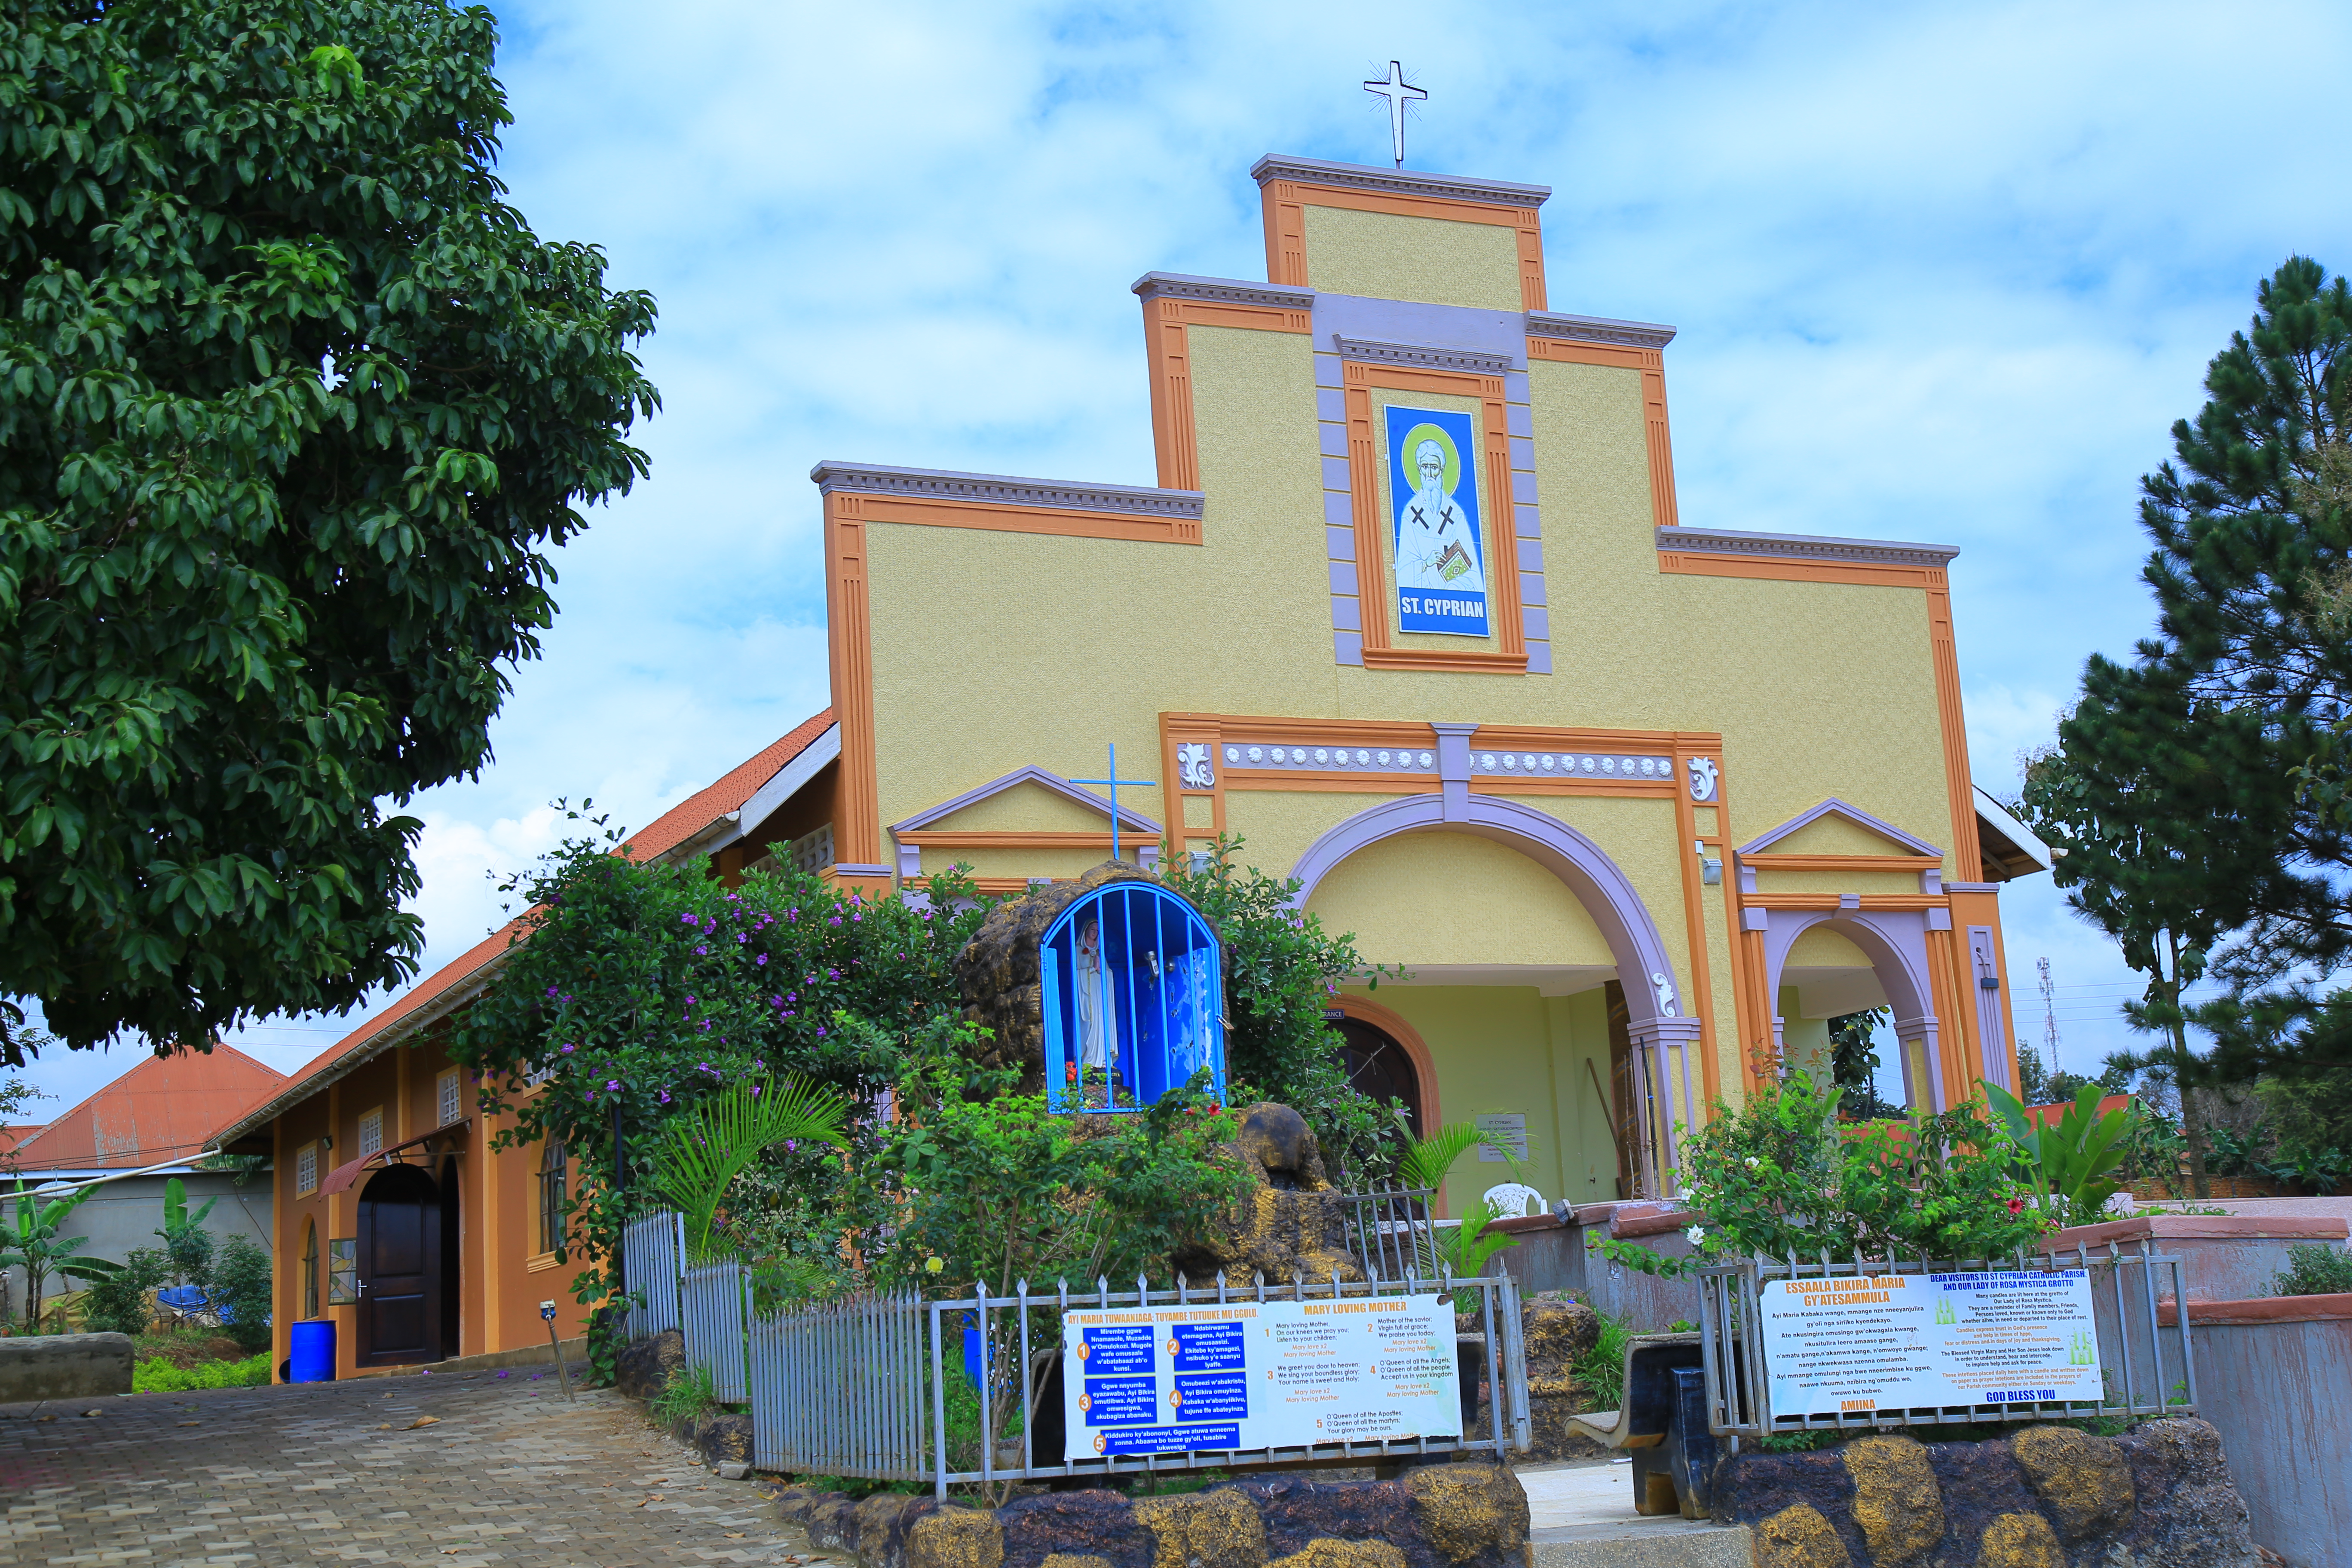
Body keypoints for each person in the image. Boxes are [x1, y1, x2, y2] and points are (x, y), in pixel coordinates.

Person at [1395, 437, 1484, 593]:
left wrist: (1455, 586)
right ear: (1418, 469)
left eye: (1434, 467)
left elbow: (1473, 572)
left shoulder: (1455, 514)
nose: (1429, 473)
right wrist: (1425, 564)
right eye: (1425, 467)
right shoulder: (1411, 513)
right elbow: (1403, 570)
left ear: (1442, 470)